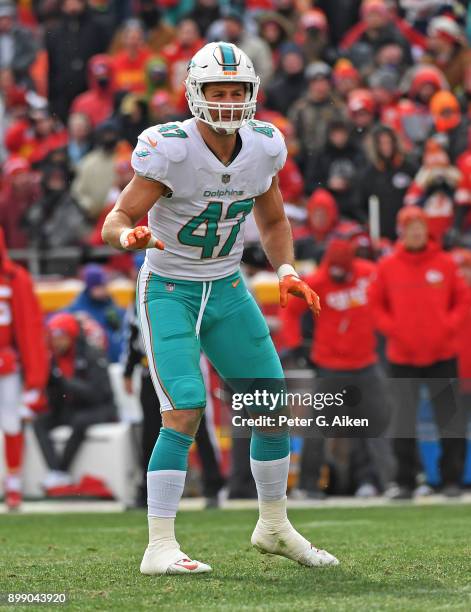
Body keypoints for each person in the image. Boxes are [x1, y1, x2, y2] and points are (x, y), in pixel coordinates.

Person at [102, 41, 338, 575]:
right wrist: (130, 236)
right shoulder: (171, 149)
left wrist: (286, 270)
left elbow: (273, 221)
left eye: (238, 92)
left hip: (227, 286)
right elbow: (114, 219)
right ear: (195, 94)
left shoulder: (263, 146)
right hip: (170, 288)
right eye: (218, 91)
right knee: (184, 406)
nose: (230, 102)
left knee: (271, 402)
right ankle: (159, 544)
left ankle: (274, 526)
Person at [369, 206, 470, 498]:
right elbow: (375, 306)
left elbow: (463, 300)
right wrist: (395, 329)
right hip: (403, 357)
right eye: (411, 227)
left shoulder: (446, 263)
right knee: (403, 422)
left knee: (449, 421)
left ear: (427, 231)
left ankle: (451, 480)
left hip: (442, 354)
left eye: (420, 227)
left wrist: (447, 326)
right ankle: (405, 481)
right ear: (402, 231)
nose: (416, 232)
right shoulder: (387, 267)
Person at [34, 312, 117, 494]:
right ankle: (56, 472)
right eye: (53, 337)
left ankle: (62, 471)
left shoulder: (92, 354)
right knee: (39, 421)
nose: (57, 342)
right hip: (73, 408)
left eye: (60, 337)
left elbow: (97, 394)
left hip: (101, 408)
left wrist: (65, 383)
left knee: (80, 421)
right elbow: (56, 397)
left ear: (71, 335)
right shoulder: (53, 358)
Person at [0, 228, 49, 510]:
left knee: (11, 421)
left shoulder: (14, 277)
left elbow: (29, 329)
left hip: (7, 366)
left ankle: (14, 484)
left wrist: (35, 378)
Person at [67, 264, 125, 363]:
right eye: (98, 287)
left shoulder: (110, 304)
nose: (102, 290)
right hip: (94, 363)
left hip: (116, 361)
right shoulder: (78, 308)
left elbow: (123, 329)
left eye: (103, 286)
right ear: (90, 287)